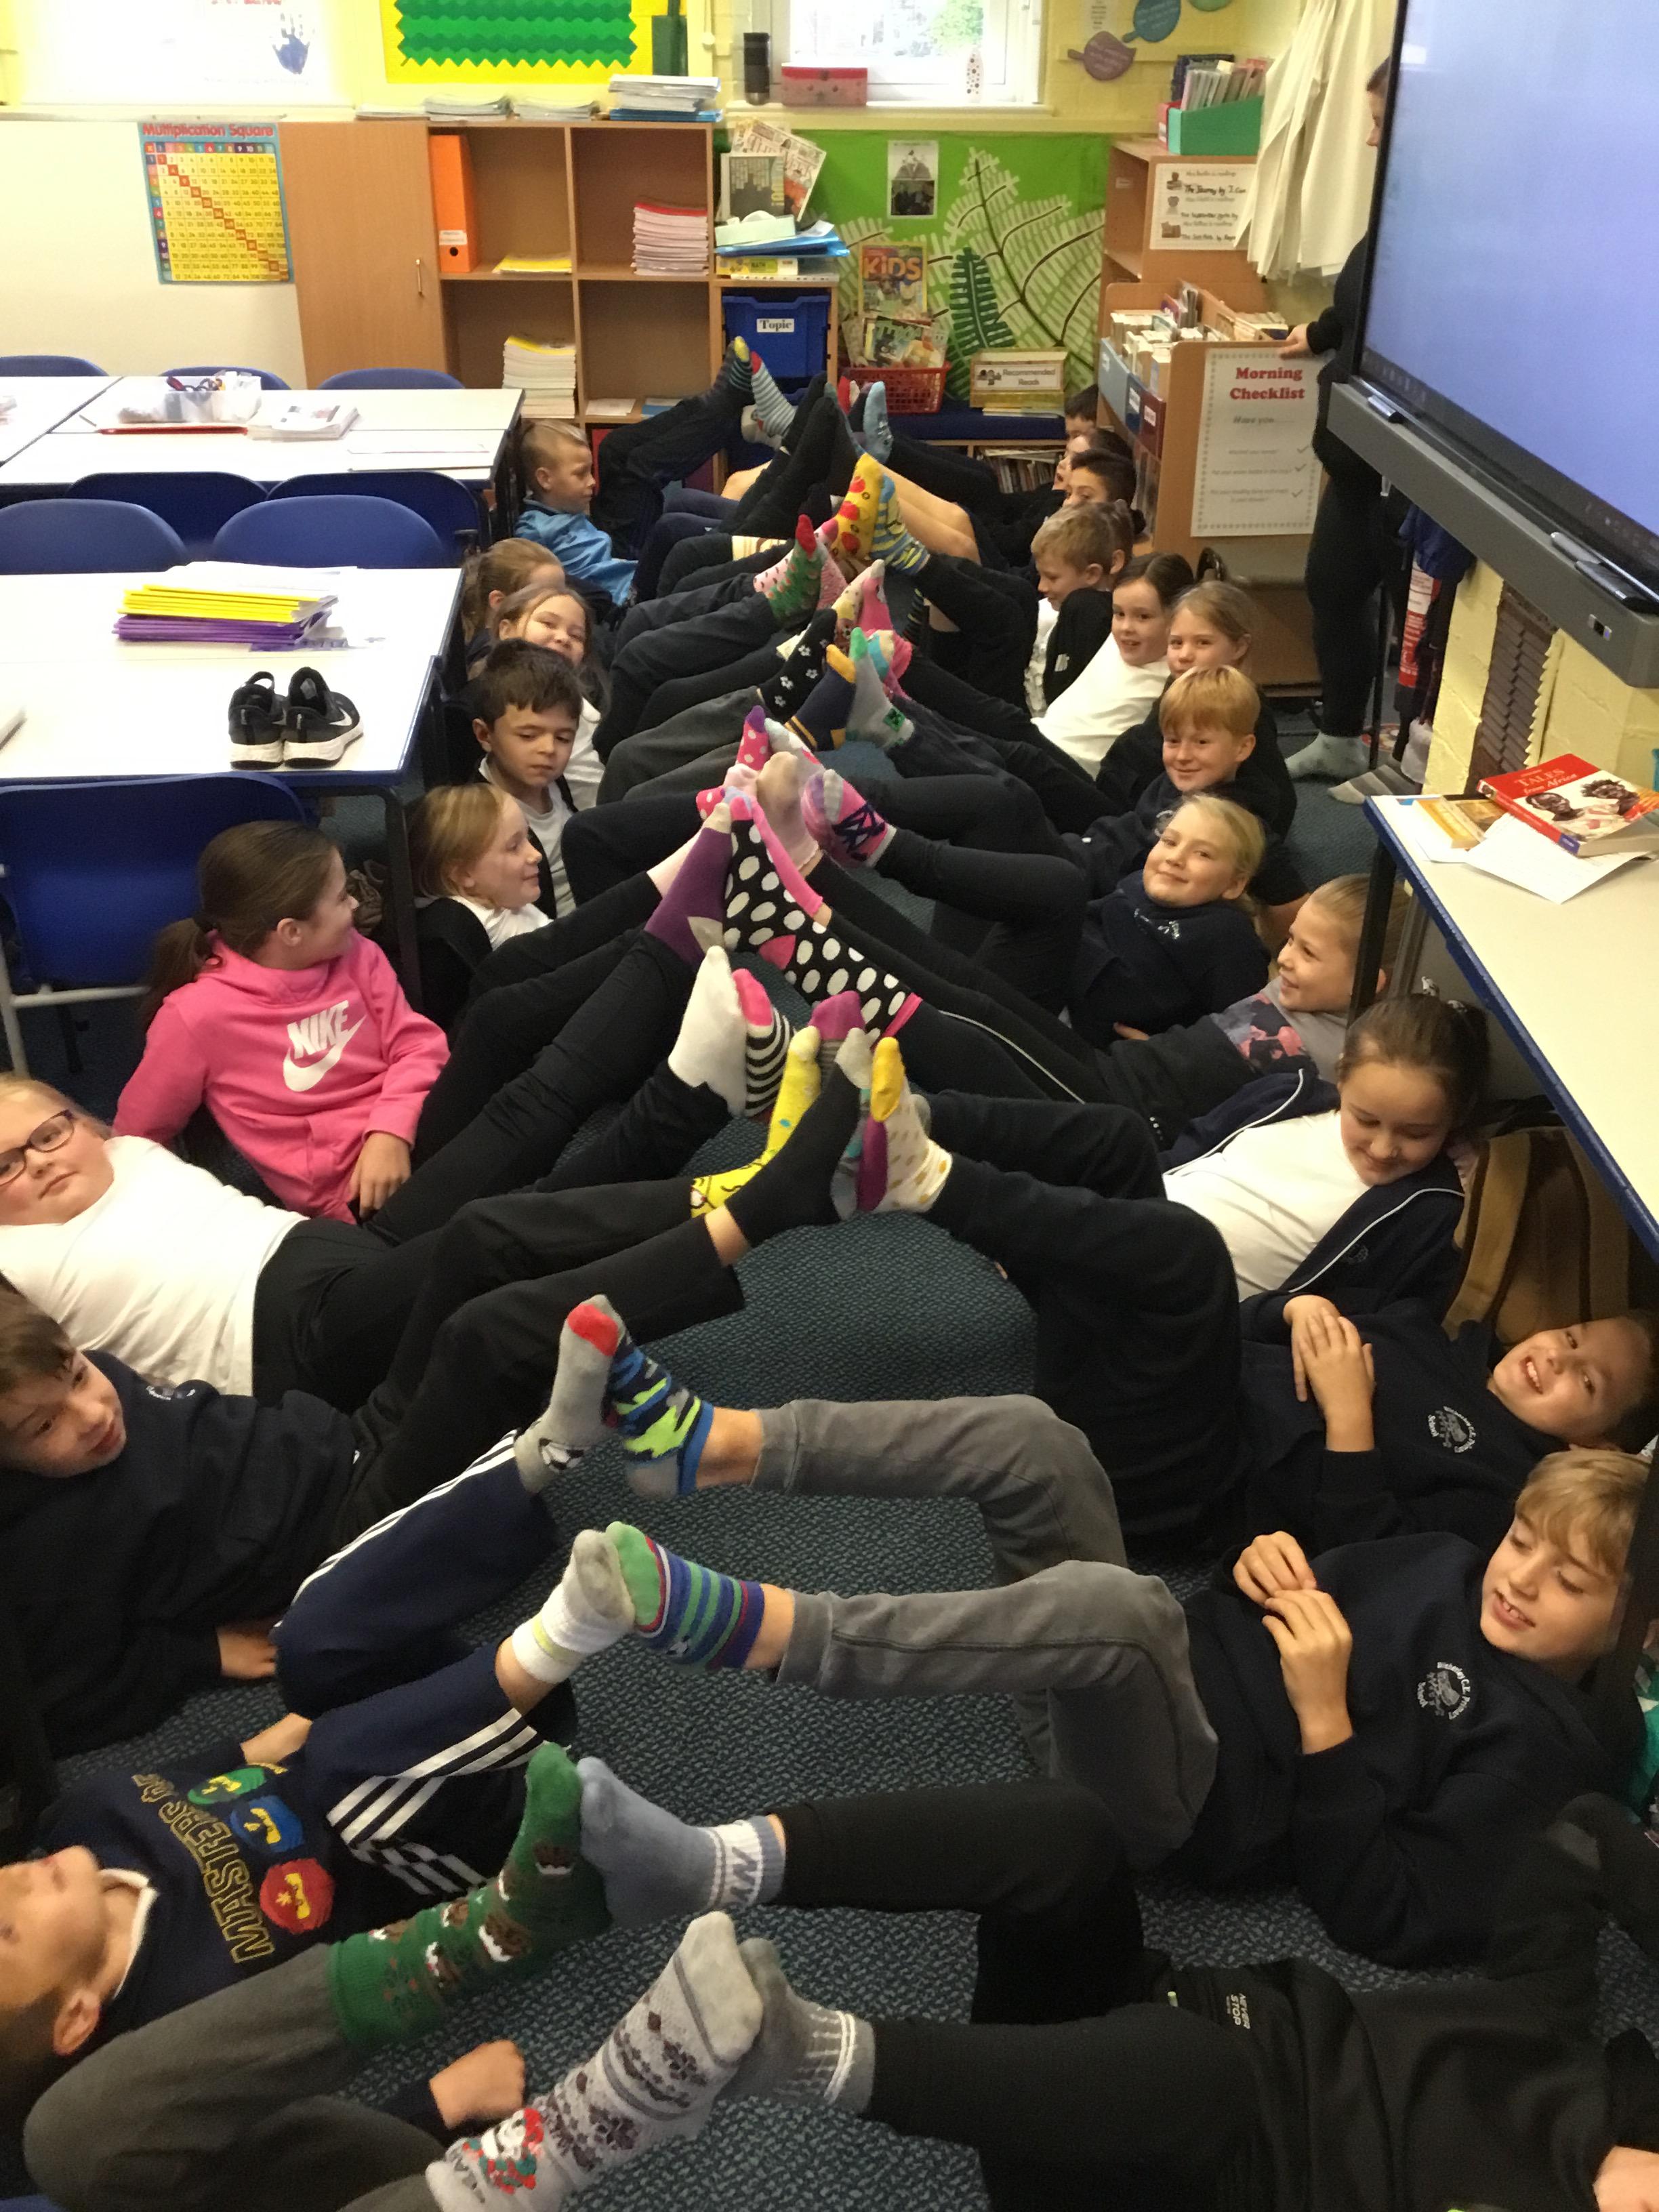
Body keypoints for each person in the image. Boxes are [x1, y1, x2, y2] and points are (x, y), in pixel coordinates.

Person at [537, 1319, 1650, 1963]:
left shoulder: (1540, 1754)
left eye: (1567, 1581)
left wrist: (1326, 1728)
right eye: (1520, 1541)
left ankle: (764, 1631)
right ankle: (714, 1442)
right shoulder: (1451, 1559)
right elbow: (1311, 1576)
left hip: (1168, 1798)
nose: (1518, 1578)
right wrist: (1265, 1562)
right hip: (1091, 1671)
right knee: (1038, 1441)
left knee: (1126, 1615)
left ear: (1633, 1627)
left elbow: (1386, 1913)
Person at [31, 1782, 1659, 2212]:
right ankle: (694, 1865)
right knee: (1062, 1847)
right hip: (1155, 2037)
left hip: (1203, 2169)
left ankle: (784, 2059)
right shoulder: (1566, 2034)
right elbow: (1585, 1838)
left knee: (66, 2141)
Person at [116, 823, 448, 1224]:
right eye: (342, 897)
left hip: (413, 1120)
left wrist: (389, 1130)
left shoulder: (357, 952)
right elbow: (138, 1137)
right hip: (356, 1191)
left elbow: (418, 1045)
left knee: (501, 1022)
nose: (355, 905)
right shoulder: (197, 1016)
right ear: (292, 931)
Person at [808, 778, 1269, 1045]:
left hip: (1053, 1028)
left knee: (1061, 887)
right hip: (1022, 975)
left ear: (1234, 884)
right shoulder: (1137, 884)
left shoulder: (1228, 935)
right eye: (1169, 842)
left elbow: (1244, 1041)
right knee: (995, 808)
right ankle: (813, 854)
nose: (1175, 858)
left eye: (1202, 854)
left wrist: (1164, 1052)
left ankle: (876, 845)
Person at [1278, 57, 1404, 787]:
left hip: (1405, 474)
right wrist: (1318, 335)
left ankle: (1409, 762)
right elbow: (1357, 304)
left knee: (1418, 626)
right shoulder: (1391, 213)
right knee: (1331, 587)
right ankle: (1340, 737)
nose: (1368, 139)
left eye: (1381, 123)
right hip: (1353, 459)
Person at [512, 344, 758, 602]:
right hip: (627, 582)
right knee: (641, 474)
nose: (592, 481)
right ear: (545, 479)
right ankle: (727, 405)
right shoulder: (533, 532)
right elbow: (521, 574)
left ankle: (711, 404)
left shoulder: (556, 509)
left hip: (606, 539)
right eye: (580, 474)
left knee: (614, 447)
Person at [1092, 579, 1295, 833]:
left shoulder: (1242, 707)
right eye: (1176, 643)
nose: (1185, 655)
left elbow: (1278, 800)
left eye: (1202, 643)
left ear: (1239, 647)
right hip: (1126, 812)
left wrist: (1246, 844)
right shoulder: (1177, 686)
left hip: (1151, 824)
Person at [408, 785, 553, 1033]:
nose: (536, 854)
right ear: (463, 874)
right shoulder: (470, 926)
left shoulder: (502, 898)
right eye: (514, 846)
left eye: (528, 838)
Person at [467, 642, 585, 919]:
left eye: (563, 738)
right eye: (528, 736)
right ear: (484, 735)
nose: (548, 749)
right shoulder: (483, 822)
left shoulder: (557, 783)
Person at [1027, 502, 1126, 712]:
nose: (1041, 587)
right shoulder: (1055, 611)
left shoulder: (1089, 615)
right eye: (1040, 576)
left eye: (1052, 577)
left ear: (1092, 574)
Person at [457, 539, 563, 666]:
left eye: (561, 593)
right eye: (544, 597)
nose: (561, 603)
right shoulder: (495, 661)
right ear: (500, 602)